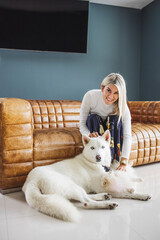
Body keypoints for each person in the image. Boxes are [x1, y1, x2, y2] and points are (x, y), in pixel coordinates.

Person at [79, 73, 132, 171]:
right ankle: (98, 164)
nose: (111, 96)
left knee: (116, 120)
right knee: (92, 118)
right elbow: (81, 124)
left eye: (116, 93)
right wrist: (89, 134)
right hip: (95, 127)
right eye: (109, 90)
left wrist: (124, 162)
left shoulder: (122, 106)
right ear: (102, 88)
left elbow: (127, 135)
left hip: (111, 131)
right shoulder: (90, 96)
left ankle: (113, 161)